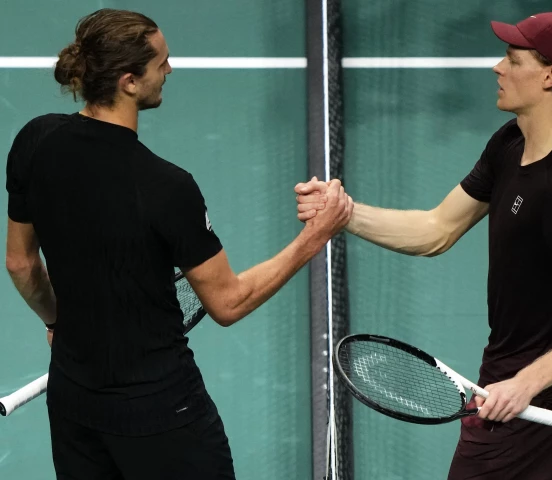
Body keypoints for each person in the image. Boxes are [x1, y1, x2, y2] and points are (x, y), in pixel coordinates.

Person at [5, 8, 352, 480]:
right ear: (129, 81)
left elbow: (21, 264)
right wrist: (314, 238)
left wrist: (57, 322)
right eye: (161, 63)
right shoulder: (166, 187)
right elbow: (228, 302)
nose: (170, 69)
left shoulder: (35, 141)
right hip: (162, 414)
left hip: (74, 403)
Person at [295, 12, 552, 479]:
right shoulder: (511, 142)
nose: (498, 68)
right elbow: (436, 230)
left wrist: (525, 384)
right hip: (512, 356)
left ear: (551, 76)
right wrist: (344, 213)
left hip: (546, 376)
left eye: (513, 60)